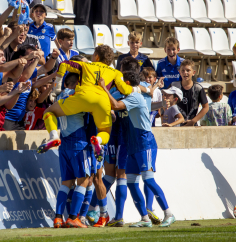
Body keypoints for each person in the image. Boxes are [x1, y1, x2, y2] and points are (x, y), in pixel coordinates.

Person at [99, 71, 176, 228]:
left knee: (148, 179)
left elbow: (115, 105)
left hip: (145, 142)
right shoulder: (133, 95)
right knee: (132, 183)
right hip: (133, 144)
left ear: (126, 84)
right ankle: (145, 218)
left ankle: (169, 213)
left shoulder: (134, 96)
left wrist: (103, 88)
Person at [36, 45, 142, 158]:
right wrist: (137, 89)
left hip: (82, 97)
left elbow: (64, 64)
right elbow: (125, 90)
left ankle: (53, 136)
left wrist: (56, 87)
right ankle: (97, 140)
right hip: (102, 102)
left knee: (49, 112)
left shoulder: (86, 65)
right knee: (105, 132)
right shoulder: (116, 73)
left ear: (96, 56)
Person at [53, 72, 98, 228]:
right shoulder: (77, 96)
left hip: (64, 143)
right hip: (79, 143)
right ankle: (73, 217)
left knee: (66, 183)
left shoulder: (58, 97)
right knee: (84, 180)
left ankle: (58, 218)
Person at [3, 45, 56, 130]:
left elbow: (46, 68)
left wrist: (53, 57)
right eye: (31, 58)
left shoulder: (31, 72)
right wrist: (37, 59)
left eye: (33, 58)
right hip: (8, 119)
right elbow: (24, 78)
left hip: (20, 120)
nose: (32, 61)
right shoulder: (14, 71)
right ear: (22, 57)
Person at [171, 60, 209, 126]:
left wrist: (193, 121)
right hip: (176, 124)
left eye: (188, 70)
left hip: (192, 124)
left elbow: (206, 107)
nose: (185, 72)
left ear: (193, 72)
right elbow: (166, 103)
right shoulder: (173, 86)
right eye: (182, 70)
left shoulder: (198, 88)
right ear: (179, 72)